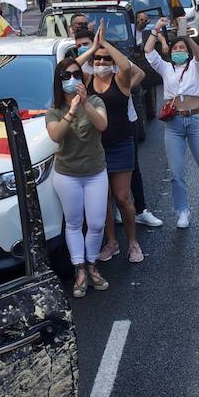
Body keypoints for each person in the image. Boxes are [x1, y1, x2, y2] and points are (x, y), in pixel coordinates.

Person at [145, 19, 199, 227]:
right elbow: (148, 52)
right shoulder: (165, 68)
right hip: (174, 125)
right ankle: (182, 211)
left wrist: (186, 37)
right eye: (175, 48)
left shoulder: (196, 67)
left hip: (196, 120)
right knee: (176, 172)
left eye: (182, 48)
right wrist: (155, 30)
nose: (178, 50)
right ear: (170, 52)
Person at [79, 23, 146, 264]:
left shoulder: (121, 80)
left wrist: (106, 44)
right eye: (97, 59)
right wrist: (94, 47)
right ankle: (112, 242)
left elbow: (127, 65)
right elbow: (72, 67)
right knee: (103, 198)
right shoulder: (86, 80)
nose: (101, 62)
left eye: (106, 59)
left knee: (122, 196)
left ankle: (133, 242)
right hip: (96, 147)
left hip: (121, 143)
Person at [45, 55, 111, 298]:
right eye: (66, 76)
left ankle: (92, 264)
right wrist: (72, 109)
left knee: (95, 223)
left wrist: (85, 105)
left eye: (76, 75)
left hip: (95, 171)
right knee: (73, 223)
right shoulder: (53, 111)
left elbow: (102, 125)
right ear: (59, 81)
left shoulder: (94, 100)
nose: (72, 79)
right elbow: (56, 135)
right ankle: (80, 270)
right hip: (67, 175)